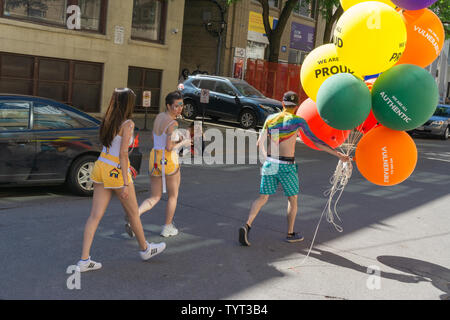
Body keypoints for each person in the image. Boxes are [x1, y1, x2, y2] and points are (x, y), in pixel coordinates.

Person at [239, 91, 351, 246]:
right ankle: (290, 233)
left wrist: (266, 159)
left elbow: (259, 143)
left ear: (283, 103)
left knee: (263, 198)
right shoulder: (298, 121)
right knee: (292, 199)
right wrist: (337, 154)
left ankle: (247, 225)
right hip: (287, 166)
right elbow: (316, 141)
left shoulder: (271, 119)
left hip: (270, 163)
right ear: (296, 106)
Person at [77, 88, 166, 272]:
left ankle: (84, 260)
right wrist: (126, 181)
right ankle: (145, 249)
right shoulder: (128, 123)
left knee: (95, 216)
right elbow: (124, 154)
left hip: (101, 165)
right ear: (128, 104)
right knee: (133, 213)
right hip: (116, 170)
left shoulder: (108, 119)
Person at [127, 91, 190, 238]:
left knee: (154, 197)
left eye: (181, 105)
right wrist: (184, 142)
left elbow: (154, 136)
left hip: (154, 158)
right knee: (173, 196)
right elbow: (170, 147)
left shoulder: (159, 117)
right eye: (176, 106)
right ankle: (167, 227)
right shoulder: (173, 123)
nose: (179, 108)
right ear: (168, 106)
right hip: (168, 160)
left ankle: (134, 218)